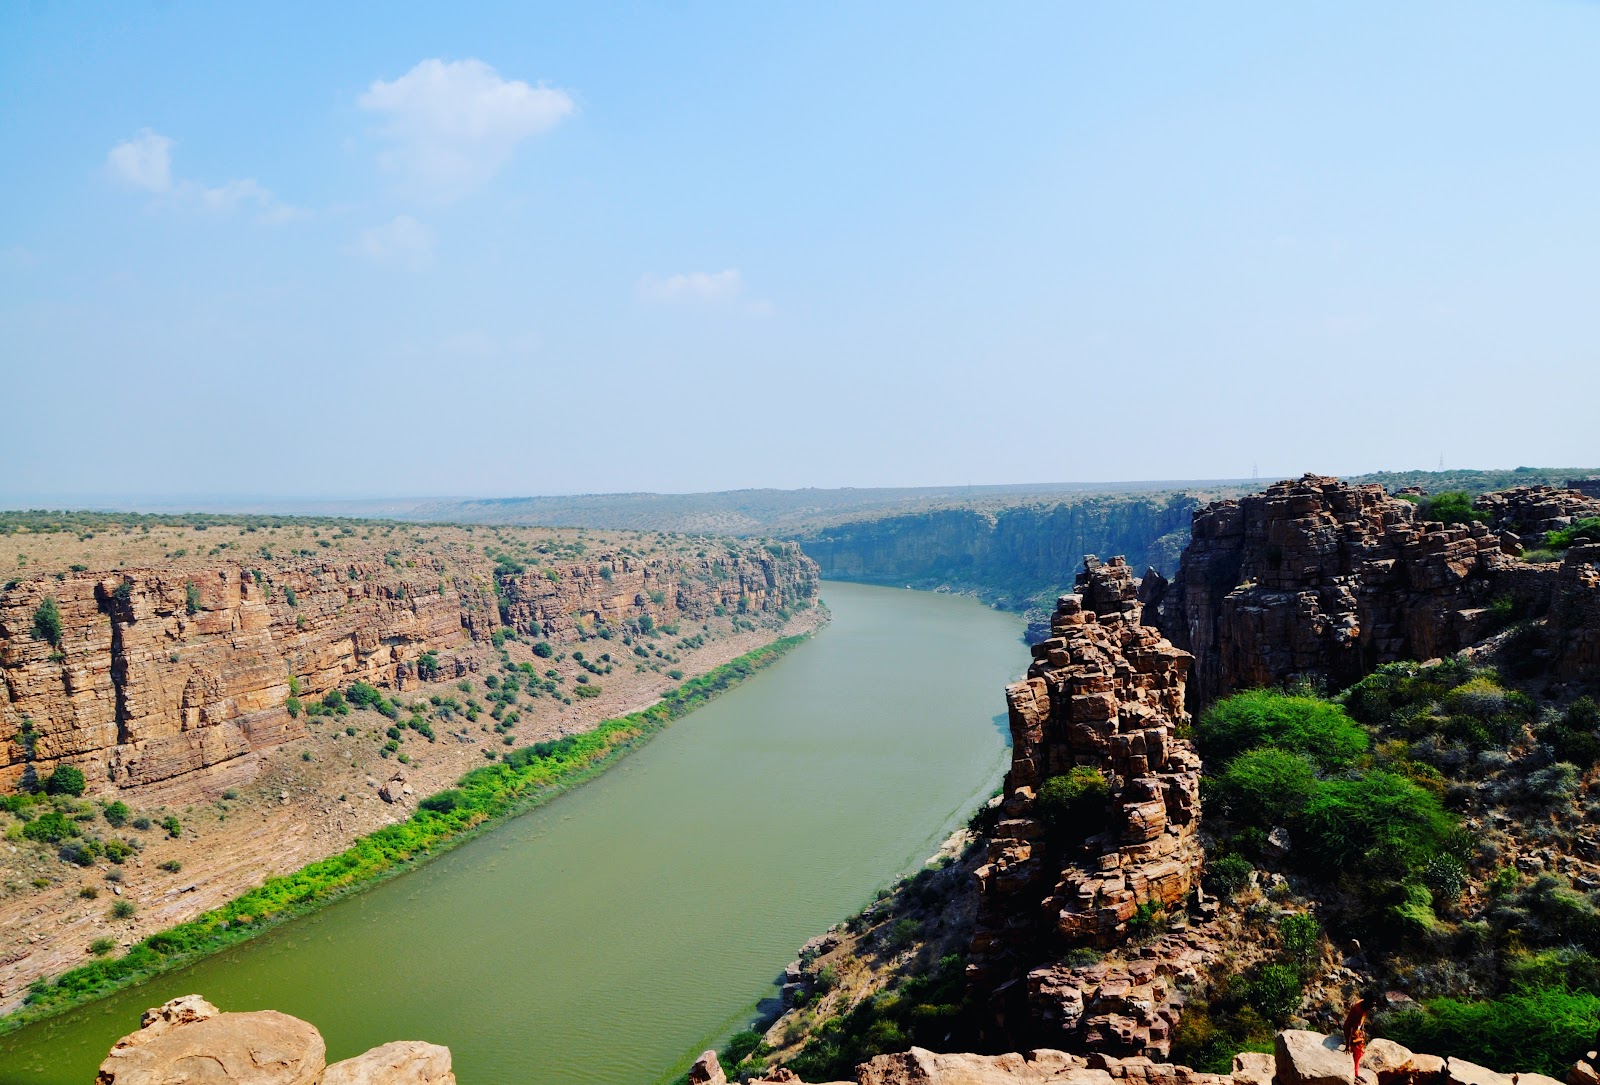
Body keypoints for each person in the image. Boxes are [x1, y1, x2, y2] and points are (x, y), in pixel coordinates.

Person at [1342, 996, 1369, 1075]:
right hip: (1351, 1032)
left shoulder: (1362, 1003)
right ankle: (1355, 1073)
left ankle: (1355, 1070)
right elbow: (1350, 1028)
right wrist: (1348, 1045)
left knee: (1360, 1051)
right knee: (1358, 1052)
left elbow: (1363, 1018)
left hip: (1357, 1031)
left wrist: (1362, 1030)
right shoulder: (1358, 1011)